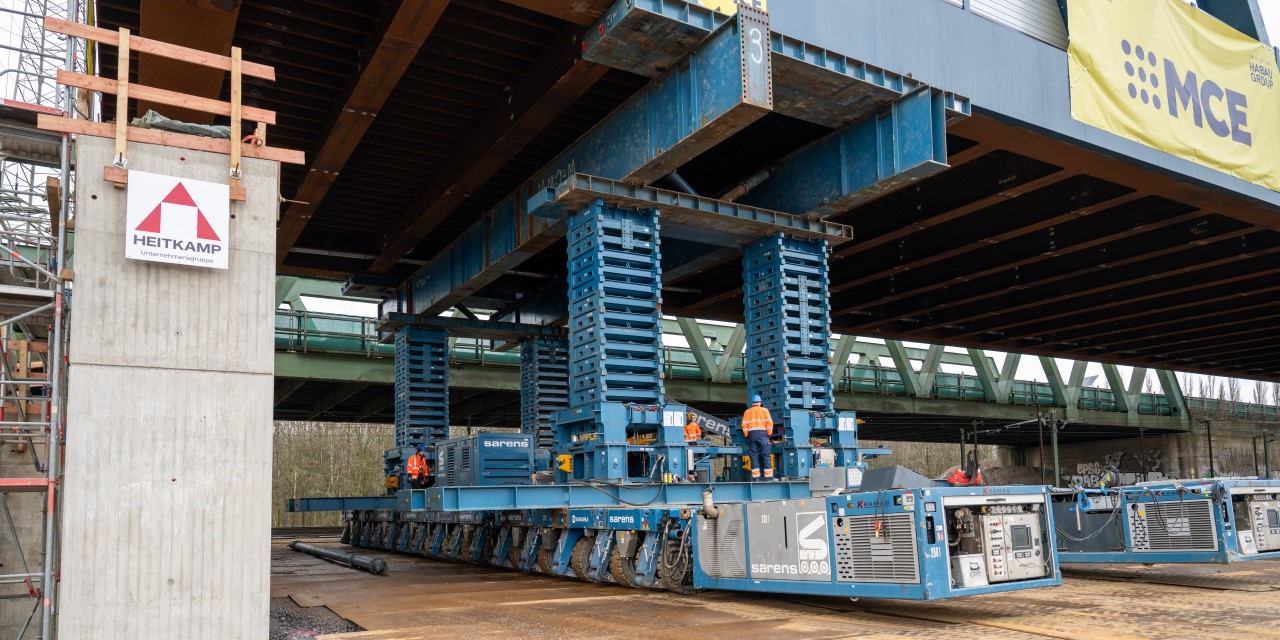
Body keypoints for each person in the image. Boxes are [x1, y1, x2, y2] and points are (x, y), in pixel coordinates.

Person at [741, 394, 774, 481]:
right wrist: (769, 435)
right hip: (762, 435)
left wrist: (746, 434)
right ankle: (768, 477)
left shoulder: (747, 412)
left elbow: (744, 425)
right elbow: (769, 423)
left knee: (754, 456)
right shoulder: (765, 410)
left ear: (752, 403)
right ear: (759, 403)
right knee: (766, 455)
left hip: (751, 435)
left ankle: (756, 477)